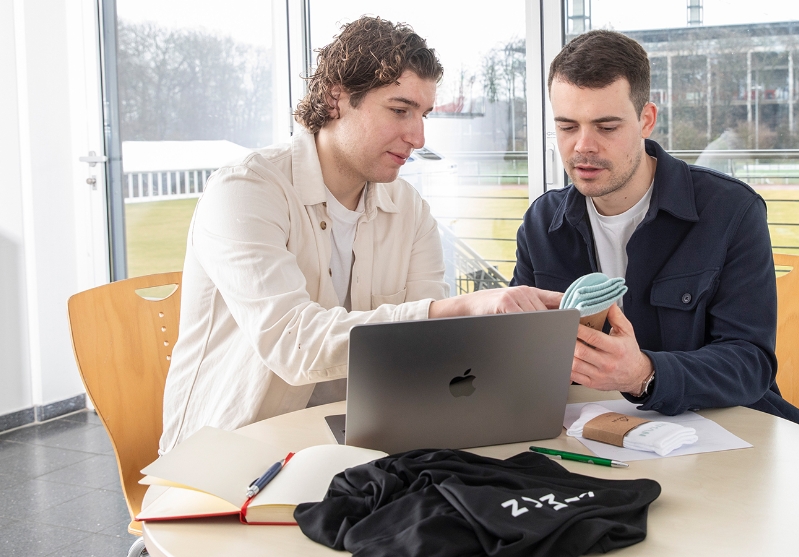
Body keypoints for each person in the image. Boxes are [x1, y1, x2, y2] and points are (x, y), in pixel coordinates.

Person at [160, 17, 559, 453]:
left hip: (358, 448)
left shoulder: (409, 209)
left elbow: (427, 352)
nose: (418, 135)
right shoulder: (245, 191)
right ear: (336, 99)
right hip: (228, 453)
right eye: (400, 109)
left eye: (423, 114)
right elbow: (295, 345)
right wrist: (461, 306)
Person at [512, 30, 799, 440]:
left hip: (722, 440)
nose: (582, 146)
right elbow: (518, 354)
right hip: (591, 441)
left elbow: (749, 364)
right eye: (567, 126)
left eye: (606, 126)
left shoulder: (731, 211)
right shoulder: (542, 223)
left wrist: (644, 373)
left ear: (647, 119)